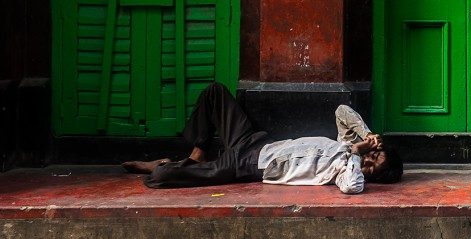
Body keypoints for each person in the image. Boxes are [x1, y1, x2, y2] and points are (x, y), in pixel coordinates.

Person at [122, 82, 402, 193]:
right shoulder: (346, 144)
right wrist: (367, 135)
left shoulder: (347, 170)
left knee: (159, 179)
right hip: (256, 143)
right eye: (374, 154)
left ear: (375, 176)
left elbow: (351, 187)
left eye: (373, 163)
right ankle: (196, 154)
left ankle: (167, 165)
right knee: (214, 92)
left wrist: (355, 153)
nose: (369, 158)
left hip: (248, 167)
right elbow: (342, 111)